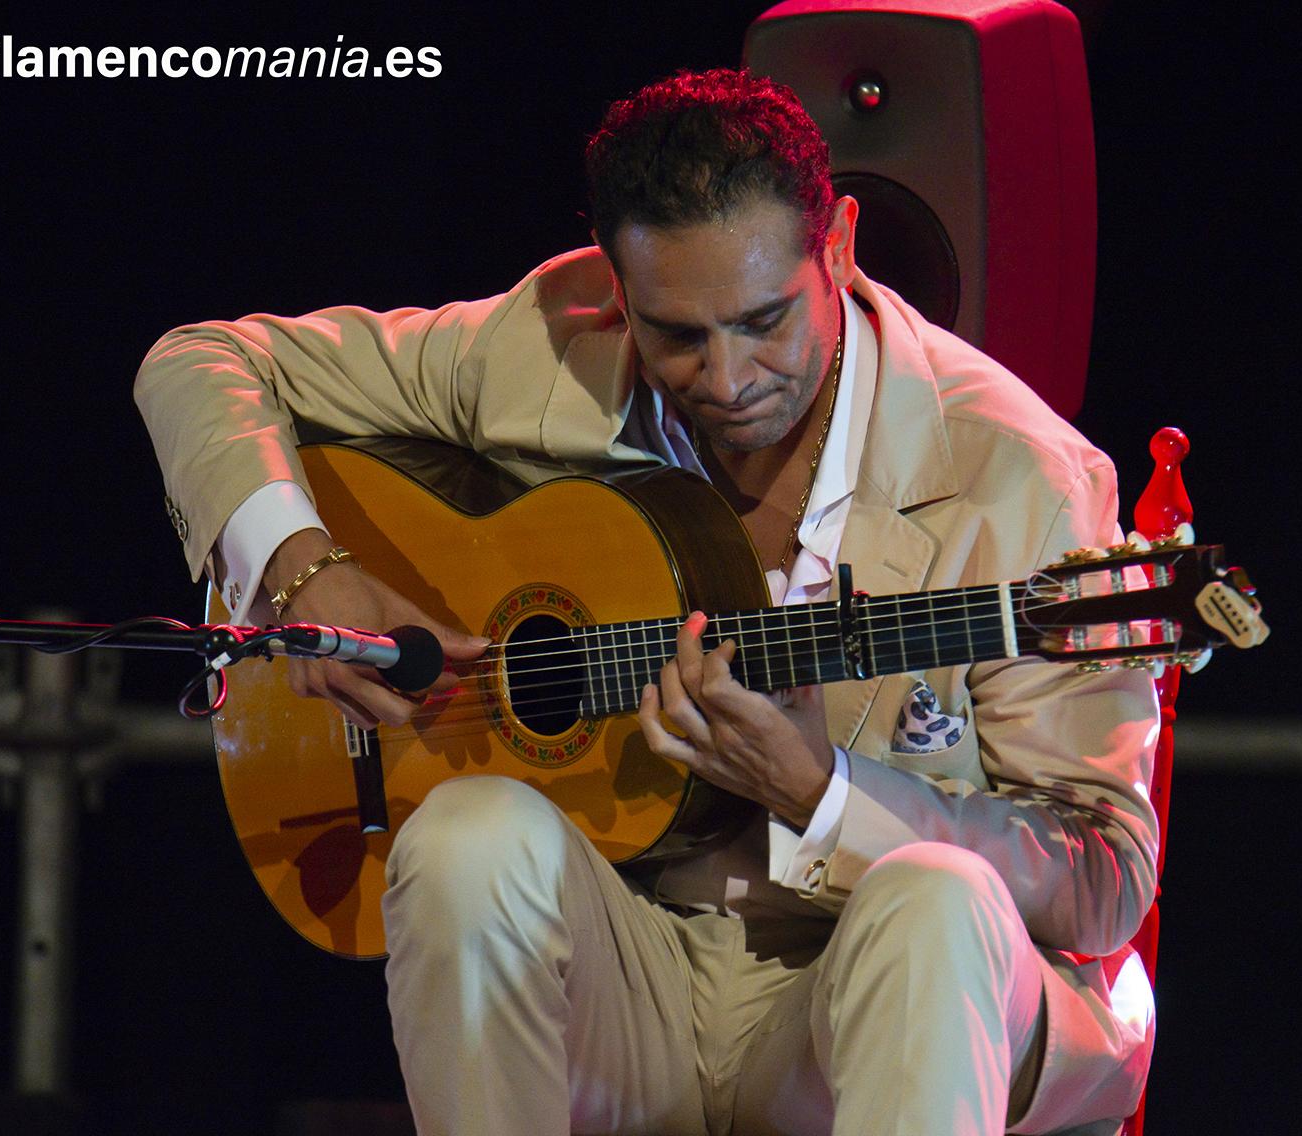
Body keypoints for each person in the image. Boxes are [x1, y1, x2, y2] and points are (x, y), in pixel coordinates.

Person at [135, 69, 1160, 1136]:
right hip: (637, 975)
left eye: (766, 320)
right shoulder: (548, 348)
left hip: (860, 998)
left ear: (841, 247)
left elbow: (1105, 876)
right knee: (463, 836)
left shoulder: (1020, 477)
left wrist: (825, 791)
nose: (728, 376)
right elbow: (202, 360)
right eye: (677, 334)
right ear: (617, 291)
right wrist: (303, 565)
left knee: (937, 896)